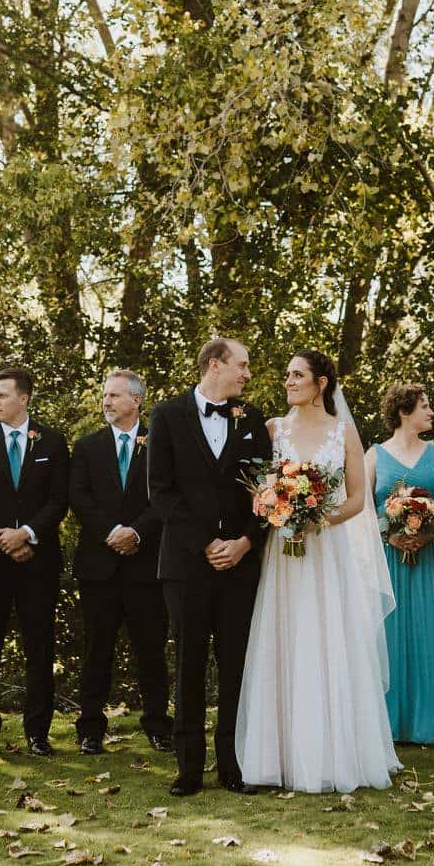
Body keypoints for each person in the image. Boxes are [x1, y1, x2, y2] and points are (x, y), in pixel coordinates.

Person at [237, 350, 400, 792]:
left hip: (327, 552)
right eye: (287, 374)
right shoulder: (273, 429)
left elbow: (356, 499)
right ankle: (275, 759)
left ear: (321, 383)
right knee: (283, 639)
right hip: (282, 556)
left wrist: (314, 521)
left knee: (328, 639)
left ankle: (333, 756)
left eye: (297, 375)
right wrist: (277, 511)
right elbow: (258, 488)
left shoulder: (343, 432)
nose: (288, 381)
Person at [146, 336, 273, 797]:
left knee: (236, 663)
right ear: (215, 365)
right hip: (185, 564)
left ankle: (233, 764)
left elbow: (266, 492)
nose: (247, 374)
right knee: (190, 662)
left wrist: (243, 542)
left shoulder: (253, 420)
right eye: (241, 365)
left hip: (239, 563)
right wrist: (205, 543)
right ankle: (188, 768)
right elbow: (160, 491)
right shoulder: (166, 415)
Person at [0, 365, 69, 757]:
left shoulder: (52, 443)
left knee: (39, 647)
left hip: (39, 561)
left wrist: (28, 534)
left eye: (2, 395)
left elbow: (59, 500)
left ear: (23, 398)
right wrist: (6, 538)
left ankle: (38, 732)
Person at [68, 369, 172, 755]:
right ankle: (90, 728)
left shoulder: (162, 444)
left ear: (136, 401)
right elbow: (79, 497)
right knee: (97, 650)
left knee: (152, 651)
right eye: (105, 395)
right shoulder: (87, 446)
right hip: (99, 564)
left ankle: (159, 725)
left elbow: (165, 496)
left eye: (114, 396)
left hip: (147, 566)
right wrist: (112, 531)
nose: (107, 402)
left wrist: (137, 533)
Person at [366, 382, 434, 744]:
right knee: (391, 634)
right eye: (425, 406)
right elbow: (362, 508)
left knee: (432, 631)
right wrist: (389, 533)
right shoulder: (374, 455)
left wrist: (429, 530)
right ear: (404, 411)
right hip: (388, 558)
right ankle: (389, 724)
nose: (431, 412)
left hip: (433, 555)